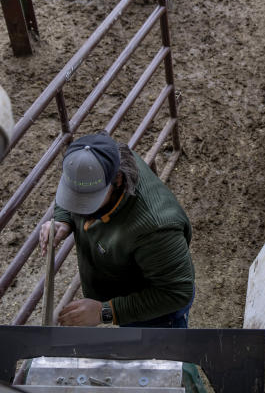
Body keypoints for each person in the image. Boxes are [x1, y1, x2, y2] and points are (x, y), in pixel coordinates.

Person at [39, 132, 195, 327]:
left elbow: (176, 293)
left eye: (87, 202)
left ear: (118, 179)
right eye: (74, 198)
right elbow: (75, 184)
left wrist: (105, 312)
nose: (79, 208)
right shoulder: (98, 164)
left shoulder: (156, 229)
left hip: (154, 312)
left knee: (155, 355)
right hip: (121, 283)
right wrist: (64, 220)